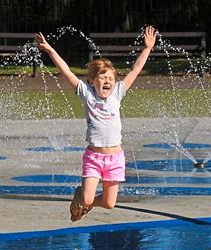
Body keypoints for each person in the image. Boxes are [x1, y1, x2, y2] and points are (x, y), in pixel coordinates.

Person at [36, 26, 157, 222]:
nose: (108, 81)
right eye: (103, 78)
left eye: (111, 78)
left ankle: (84, 205)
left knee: (109, 204)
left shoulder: (117, 92)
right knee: (86, 197)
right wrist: (50, 50)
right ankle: (80, 199)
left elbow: (135, 70)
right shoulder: (86, 94)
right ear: (92, 81)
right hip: (94, 157)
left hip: (115, 158)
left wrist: (147, 48)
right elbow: (66, 70)